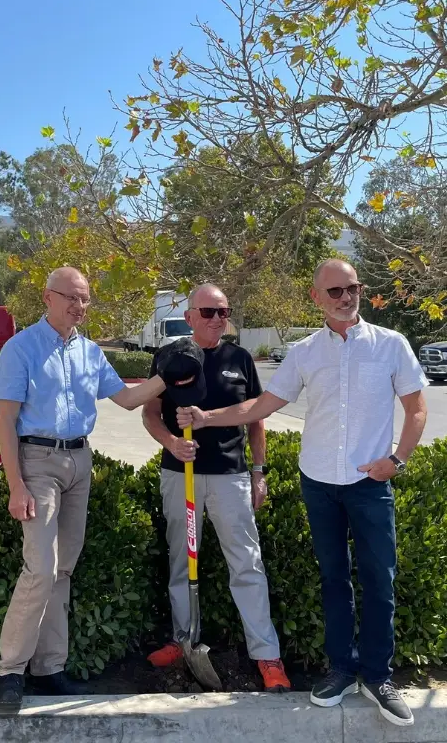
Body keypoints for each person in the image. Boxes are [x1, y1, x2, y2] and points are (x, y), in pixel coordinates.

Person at [177, 259, 428, 727]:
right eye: (334, 291)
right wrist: (209, 418)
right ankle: (340, 670)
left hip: (370, 485)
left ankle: (377, 676)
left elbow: (416, 409)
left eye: (351, 288)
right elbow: (263, 404)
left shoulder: (391, 345)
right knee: (334, 580)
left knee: (379, 581)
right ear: (316, 297)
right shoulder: (306, 352)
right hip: (318, 481)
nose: (345, 297)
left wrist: (397, 461)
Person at [0, 266, 178, 709]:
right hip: (37, 461)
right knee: (40, 568)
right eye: (70, 297)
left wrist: (171, 372)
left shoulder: (91, 353)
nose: (78, 306)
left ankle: (50, 668)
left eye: (85, 299)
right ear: (47, 296)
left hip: (80, 461)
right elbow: (5, 423)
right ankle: (10, 672)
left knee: (62, 571)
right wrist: (15, 485)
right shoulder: (21, 349)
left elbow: (129, 399)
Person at [142, 283, 291, 692]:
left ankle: (267, 656)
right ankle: (183, 640)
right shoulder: (169, 357)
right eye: (207, 312)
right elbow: (151, 413)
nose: (217, 319)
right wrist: (171, 442)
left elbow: (256, 417)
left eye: (223, 312)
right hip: (180, 474)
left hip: (230, 476)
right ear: (189, 316)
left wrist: (259, 471)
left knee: (246, 564)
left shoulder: (239, 358)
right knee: (180, 561)